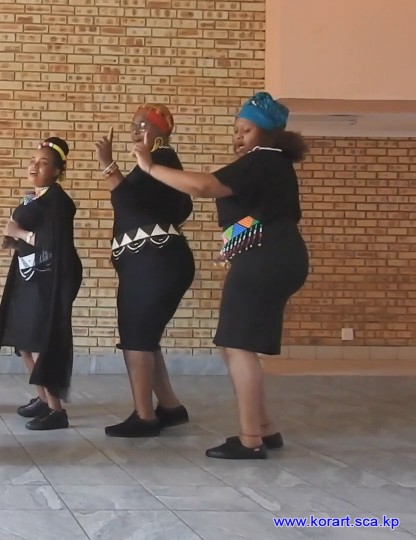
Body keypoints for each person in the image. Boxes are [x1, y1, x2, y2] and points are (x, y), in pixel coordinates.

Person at [130, 91, 309, 459]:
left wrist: (149, 166)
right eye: (237, 130)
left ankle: (250, 440)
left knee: (238, 347)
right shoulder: (275, 165)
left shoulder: (262, 159)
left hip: (266, 259)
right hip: (279, 256)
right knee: (234, 345)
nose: (239, 136)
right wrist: (234, 241)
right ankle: (265, 428)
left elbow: (203, 186)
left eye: (247, 130)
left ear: (267, 134)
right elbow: (266, 215)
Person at [96, 105, 195, 438]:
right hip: (150, 262)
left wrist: (108, 164)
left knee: (136, 338)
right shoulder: (156, 163)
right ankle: (169, 406)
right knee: (145, 338)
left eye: (143, 125)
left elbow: (128, 202)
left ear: (161, 131)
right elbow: (143, 202)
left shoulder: (161, 159)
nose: (136, 131)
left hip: (153, 263)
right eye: (134, 126)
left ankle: (144, 416)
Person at [0, 137, 83, 431]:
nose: (34, 166)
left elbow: (53, 243)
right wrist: (14, 240)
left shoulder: (59, 202)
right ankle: (42, 398)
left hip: (50, 280)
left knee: (42, 341)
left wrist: (19, 232)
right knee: (25, 340)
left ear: (57, 171)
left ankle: (57, 410)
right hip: (30, 276)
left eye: (43, 163)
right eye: (33, 161)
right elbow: (32, 235)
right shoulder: (34, 197)